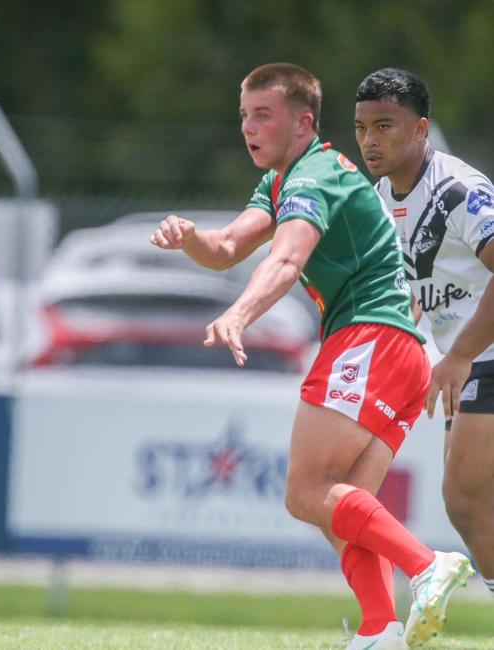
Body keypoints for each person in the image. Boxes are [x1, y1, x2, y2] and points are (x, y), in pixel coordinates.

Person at [150, 62, 474, 650]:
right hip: (399, 349)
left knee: (305, 491)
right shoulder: (282, 180)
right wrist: (189, 235)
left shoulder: (311, 176)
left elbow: (287, 259)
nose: (249, 127)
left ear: (303, 122)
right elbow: (227, 247)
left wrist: (239, 314)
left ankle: (428, 565)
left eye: (263, 115)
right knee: (342, 505)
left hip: (368, 339)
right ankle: (380, 630)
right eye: (244, 116)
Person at [355, 67, 494, 601]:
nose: (370, 140)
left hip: (482, 357)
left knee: (464, 499)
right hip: (469, 359)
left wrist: (457, 356)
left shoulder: (459, 191)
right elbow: (415, 283)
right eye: (363, 127)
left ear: (421, 130)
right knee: (469, 502)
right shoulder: (381, 196)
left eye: (385, 125)